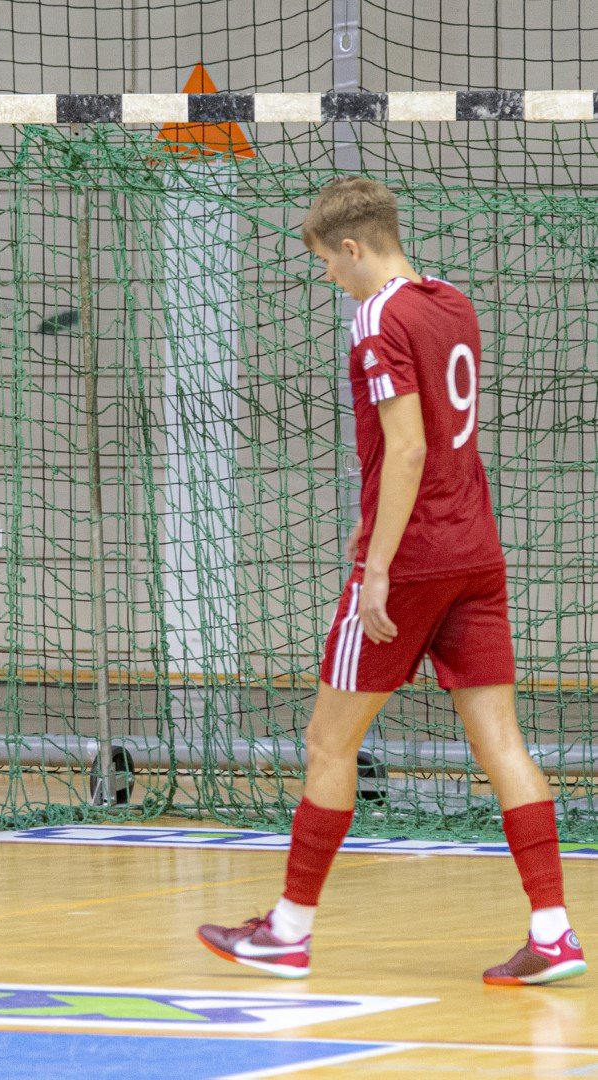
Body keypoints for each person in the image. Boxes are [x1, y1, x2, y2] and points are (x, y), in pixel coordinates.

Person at [197, 176, 586, 986]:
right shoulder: (452, 302)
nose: (327, 280)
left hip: (409, 562)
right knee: (502, 741)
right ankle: (551, 932)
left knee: (326, 742)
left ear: (353, 247)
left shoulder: (376, 317)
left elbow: (406, 448)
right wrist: (374, 515)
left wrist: (375, 564)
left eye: (326, 264)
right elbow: (438, 445)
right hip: (474, 550)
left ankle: (288, 932)